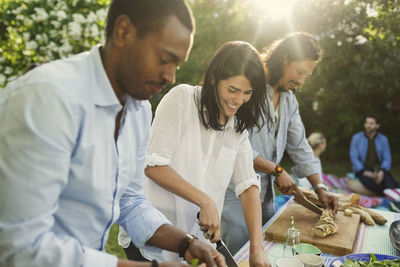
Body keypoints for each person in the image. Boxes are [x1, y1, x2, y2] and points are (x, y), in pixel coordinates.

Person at [0, 1, 226, 267]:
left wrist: (186, 243)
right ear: (123, 32)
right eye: (165, 59)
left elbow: (130, 203)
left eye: (177, 64)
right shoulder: (47, 99)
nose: (170, 76)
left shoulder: (139, 110)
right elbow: (20, 247)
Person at [119, 41, 272, 267]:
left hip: (197, 244)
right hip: (153, 235)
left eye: (247, 93)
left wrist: (256, 248)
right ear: (214, 79)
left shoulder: (238, 127)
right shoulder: (181, 99)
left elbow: (248, 186)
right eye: (232, 90)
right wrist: (205, 201)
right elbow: (153, 165)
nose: (239, 100)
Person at [221, 32, 338, 254]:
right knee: (236, 253)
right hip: (233, 191)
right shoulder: (249, 87)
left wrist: (319, 187)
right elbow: (235, 144)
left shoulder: (289, 100)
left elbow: (300, 146)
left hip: (265, 194)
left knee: (264, 250)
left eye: (306, 76)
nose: (302, 81)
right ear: (285, 59)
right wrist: (276, 169)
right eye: (300, 72)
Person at [349, 114, 398, 195]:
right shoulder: (356, 138)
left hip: (380, 170)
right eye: (367, 123)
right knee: (372, 185)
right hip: (363, 171)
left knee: (392, 185)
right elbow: (354, 157)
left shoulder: (383, 139)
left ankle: (391, 193)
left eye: (371, 123)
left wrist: (382, 171)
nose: (368, 125)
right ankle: (385, 194)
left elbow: (387, 158)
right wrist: (364, 171)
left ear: (377, 125)